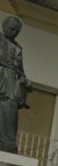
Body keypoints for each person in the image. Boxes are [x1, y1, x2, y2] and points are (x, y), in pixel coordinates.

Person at [0, 15, 32, 154]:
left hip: (11, 82)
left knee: (9, 108)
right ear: (4, 26)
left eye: (17, 31)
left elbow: (20, 69)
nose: (14, 32)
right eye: (12, 29)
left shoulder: (18, 48)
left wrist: (25, 80)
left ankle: (8, 143)